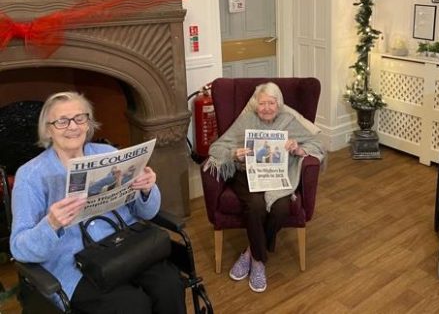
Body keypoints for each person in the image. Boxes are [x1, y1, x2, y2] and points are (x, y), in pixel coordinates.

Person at [10, 92, 186, 313]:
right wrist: (52, 224)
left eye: (79, 118)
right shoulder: (30, 175)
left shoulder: (109, 154)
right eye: (62, 121)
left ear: (88, 124)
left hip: (127, 246)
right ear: (48, 129)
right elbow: (19, 248)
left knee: (169, 284)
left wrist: (147, 189)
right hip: (73, 265)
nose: (72, 126)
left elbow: (148, 213)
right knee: (132, 305)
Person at [204, 82, 324, 293]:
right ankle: (259, 263)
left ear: (279, 104)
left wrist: (297, 149)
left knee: (281, 208)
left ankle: (250, 253)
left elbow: (316, 145)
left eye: (271, 103)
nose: (267, 108)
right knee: (257, 206)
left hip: (278, 176)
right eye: (262, 103)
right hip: (247, 174)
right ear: (255, 104)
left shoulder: (288, 120)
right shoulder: (247, 120)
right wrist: (234, 153)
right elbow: (217, 147)